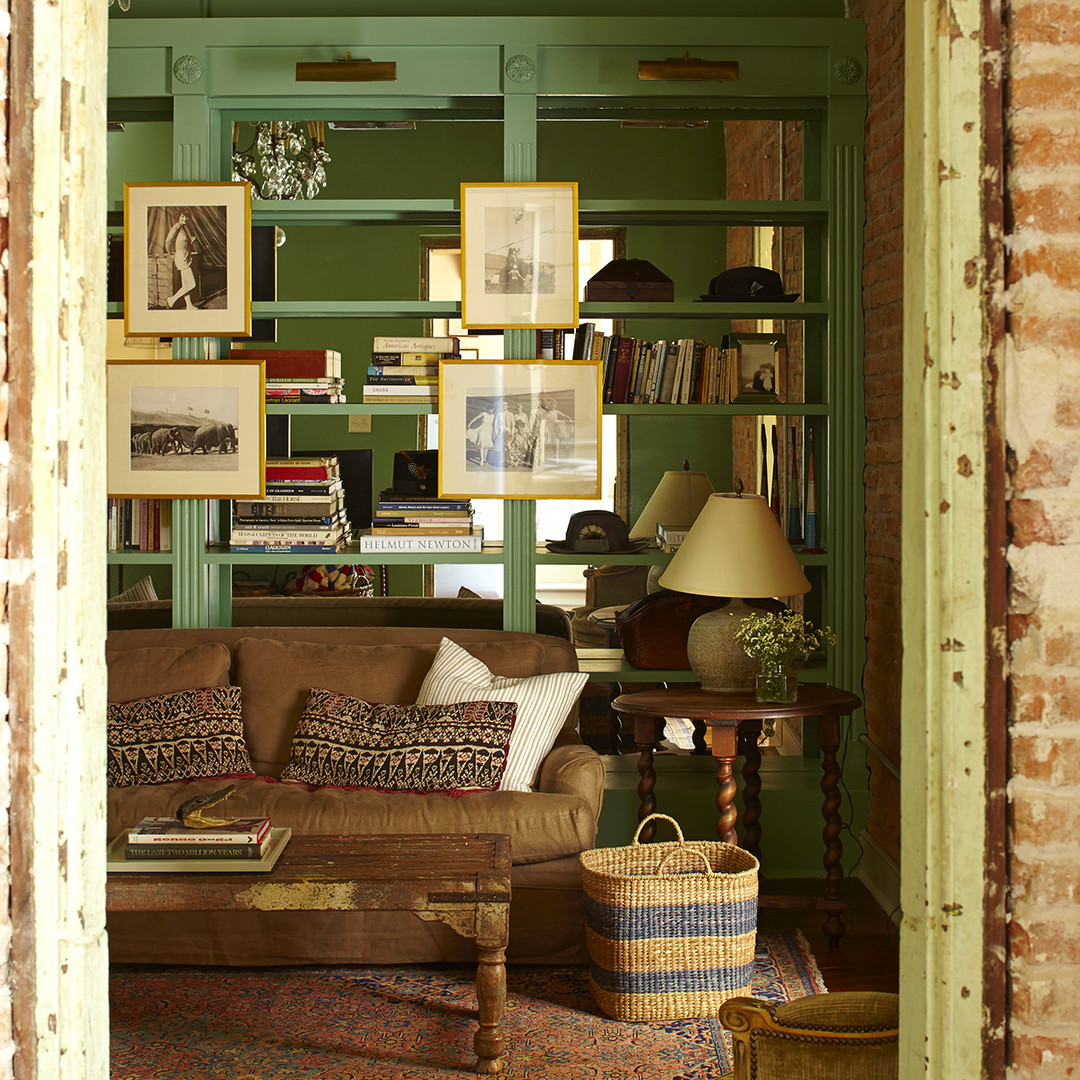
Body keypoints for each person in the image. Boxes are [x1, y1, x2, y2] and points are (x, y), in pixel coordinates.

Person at [164, 212, 199, 309]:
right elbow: (168, 241)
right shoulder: (177, 227)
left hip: (185, 256)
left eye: (186, 216)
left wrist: (191, 241)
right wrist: (170, 254)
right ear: (178, 217)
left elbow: (182, 244)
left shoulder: (183, 228)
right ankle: (172, 299)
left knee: (185, 284)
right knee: (192, 284)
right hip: (181, 257)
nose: (185, 218)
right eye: (182, 216)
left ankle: (189, 306)